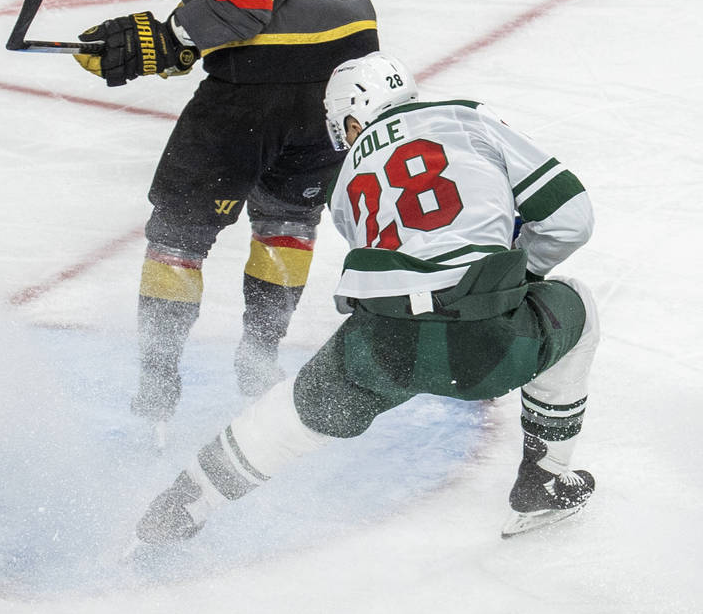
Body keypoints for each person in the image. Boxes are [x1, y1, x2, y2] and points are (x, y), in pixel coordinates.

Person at [134, 54, 599, 543]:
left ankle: (185, 502)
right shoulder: (465, 116)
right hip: (486, 336)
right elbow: (571, 218)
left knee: (295, 414)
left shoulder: (343, 182)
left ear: (356, 118)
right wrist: (519, 276)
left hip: (381, 338)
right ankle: (544, 478)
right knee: (576, 303)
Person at [74, 0, 380, 421]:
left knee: (177, 235)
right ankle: (259, 364)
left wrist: (165, 34)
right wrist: (178, 43)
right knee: (288, 220)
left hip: (268, 79)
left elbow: (243, 4)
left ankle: (156, 391)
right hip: (345, 69)